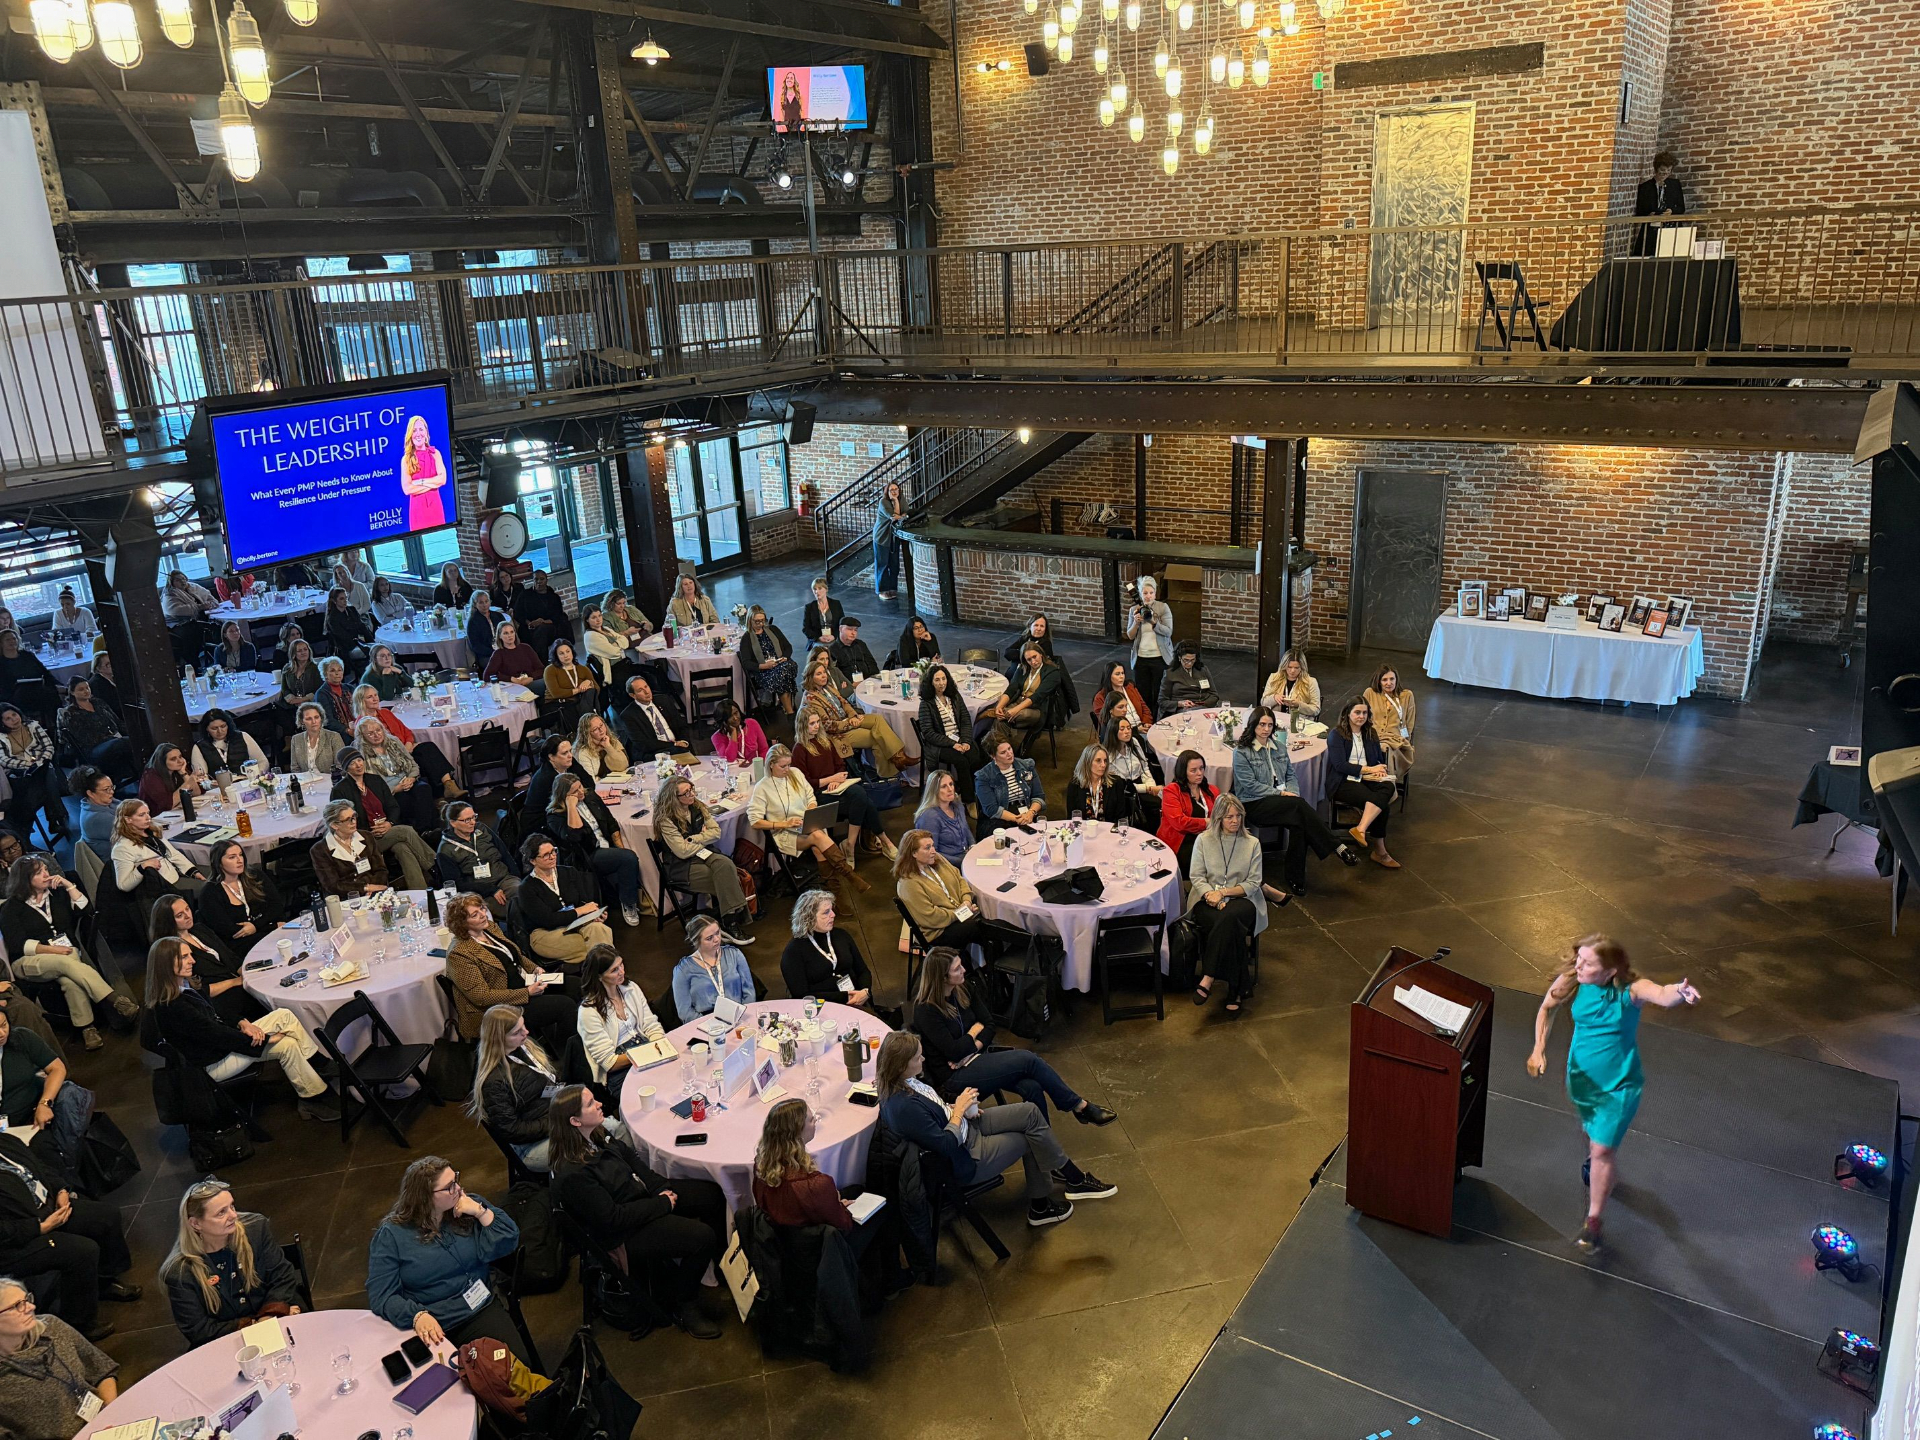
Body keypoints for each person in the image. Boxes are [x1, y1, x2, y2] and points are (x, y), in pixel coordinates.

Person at [1527, 935, 1702, 1249]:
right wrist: (1538, 1049)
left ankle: (1593, 1221)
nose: (1578, 966)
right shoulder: (1574, 979)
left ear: (1609, 971)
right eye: (1579, 959)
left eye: (1587, 963)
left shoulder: (1630, 991)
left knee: (1602, 1150)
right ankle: (1597, 1161)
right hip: (1582, 1079)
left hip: (1618, 1087)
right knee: (1593, 1137)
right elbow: (1547, 1008)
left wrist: (1680, 992)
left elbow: (1661, 994)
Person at [876, 1030, 1112, 1230]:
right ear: (901, 1065)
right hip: (966, 1155)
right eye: (918, 1057)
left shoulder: (906, 1083)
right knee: (1032, 1138)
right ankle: (1044, 1204)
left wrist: (955, 1107)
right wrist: (959, 1111)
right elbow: (945, 1145)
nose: (924, 1059)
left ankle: (1071, 1178)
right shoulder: (904, 1107)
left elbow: (933, 1112)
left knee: (1030, 1112)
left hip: (966, 1126)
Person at [548, 1086, 726, 1339]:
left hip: (638, 1198)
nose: (599, 1104)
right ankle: (685, 1304)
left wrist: (660, 1188)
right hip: (622, 1233)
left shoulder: (596, 1134)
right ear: (575, 1121)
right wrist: (662, 1204)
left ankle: (717, 1264)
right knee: (702, 1237)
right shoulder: (573, 1173)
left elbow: (632, 1161)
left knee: (711, 1195)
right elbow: (612, 1219)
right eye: (590, 1104)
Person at [912, 946, 1116, 1123]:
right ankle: (1079, 1106)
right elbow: (954, 1052)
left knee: (1032, 1087)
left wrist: (971, 1046)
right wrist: (974, 1032)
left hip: (976, 1058)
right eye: (957, 969)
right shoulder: (926, 1010)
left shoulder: (963, 988)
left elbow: (989, 1025)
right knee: (1028, 1059)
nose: (964, 970)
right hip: (953, 1077)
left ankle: (1042, 1141)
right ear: (942, 978)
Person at [141, 937, 336, 1121]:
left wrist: (241, 1022)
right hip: (211, 1064)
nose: (192, 960)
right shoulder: (173, 1006)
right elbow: (214, 1035)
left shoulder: (185, 987)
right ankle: (318, 1075)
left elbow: (217, 1012)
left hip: (221, 1047)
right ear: (166, 964)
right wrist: (265, 1039)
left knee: (286, 1031)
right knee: (285, 1030)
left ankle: (313, 1091)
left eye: (190, 955)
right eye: (184, 957)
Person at [366, 1156, 524, 1358]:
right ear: (425, 1197)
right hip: (434, 1323)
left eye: (456, 1180)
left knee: (512, 1367)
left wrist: (479, 1211)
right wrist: (416, 1316)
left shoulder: (467, 1207)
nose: (458, 1188)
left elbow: (509, 1239)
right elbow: (382, 1296)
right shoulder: (392, 1236)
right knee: (443, 1376)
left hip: (479, 1310)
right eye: (449, 1187)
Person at [1, 857, 132, 1051]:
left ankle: (87, 1029)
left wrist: (68, 885)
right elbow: (18, 945)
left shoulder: (58, 894)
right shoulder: (11, 908)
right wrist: (52, 950)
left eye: (45, 869)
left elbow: (86, 910)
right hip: (29, 961)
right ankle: (113, 999)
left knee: (69, 979)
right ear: (25, 879)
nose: (46, 875)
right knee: (66, 963)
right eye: (38, 873)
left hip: (66, 953)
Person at [160, 1177, 305, 1349]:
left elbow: (283, 1276)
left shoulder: (256, 1228)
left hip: (275, 1314)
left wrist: (268, 1316)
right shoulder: (180, 1271)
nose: (234, 1216)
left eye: (232, 1206)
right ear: (196, 1223)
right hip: (228, 1340)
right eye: (221, 1213)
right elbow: (198, 1329)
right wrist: (253, 1326)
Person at [1231, 706, 1357, 895]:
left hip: (1283, 802)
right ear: (1253, 725)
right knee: (1299, 809)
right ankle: (1336, 846)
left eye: (1270, 725)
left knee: (1300, 822)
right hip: (1254, 802)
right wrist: (1282, 794)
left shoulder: (1279, 747)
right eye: (1262, 724)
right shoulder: (1241, 751)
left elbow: (1291, 775)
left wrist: (1292, 793)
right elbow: (1250, 786)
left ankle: (1295, 878)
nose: (1266, 729)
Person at [753, 1098, 890, 1262]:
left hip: (782, 1242)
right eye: (811, 1120)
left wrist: (834, 1203)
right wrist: (839, 1205)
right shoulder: (816, 1185)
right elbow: (844, 1225)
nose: (815, 1121)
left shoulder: (762, 1167)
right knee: (882, 1209)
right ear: (797, 1134)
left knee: (856, 1190)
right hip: (819, 1250)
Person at [443, 893, 575, 1043]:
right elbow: (482, 997)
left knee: (575, 985)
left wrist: (535, 969)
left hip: (525, 983)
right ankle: (567, 1051)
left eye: (481, 908)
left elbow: (516, 956)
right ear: (462, 923)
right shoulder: (459, 953)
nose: (483, 914)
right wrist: (527, 992)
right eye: (475, 914)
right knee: (566, 1006)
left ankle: (571, 1039)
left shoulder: (490, 928)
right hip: (499, 1008)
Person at [0, 1274, 120, 1424]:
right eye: (18, 1305)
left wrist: (109, 1417)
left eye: (27, 1299)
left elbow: (103, 1370)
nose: (31, 1307)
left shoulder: (51, 1326)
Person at [1187, 795, 1267, 1014]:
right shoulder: (1204, 840)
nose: (1235, 821)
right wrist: (1211, 896)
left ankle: (1208, 976)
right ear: (1218, 818)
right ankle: (1237, 989)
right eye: (1229, 816)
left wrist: (1222, 893)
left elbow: (1253, 883)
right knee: (1231, 927)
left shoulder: (1252, 843)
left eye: (1238, 815)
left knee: (1230, 917)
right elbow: (1197, 877)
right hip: (1206, 900)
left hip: (1243, 900)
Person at [895, 829, 1028, 957]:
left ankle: (1020, 949)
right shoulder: (909, 883)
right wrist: (961, 912)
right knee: (984, 928)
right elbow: (931, 918)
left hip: (959, 913)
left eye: (933, 846)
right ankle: (1029, 942)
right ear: (913, 853)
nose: (933, 851)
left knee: (990, 933)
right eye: (927, 848)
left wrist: (966, 901)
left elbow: (959, 878)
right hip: (938, 932)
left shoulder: (937, 859)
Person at [749, 744, 864, 891]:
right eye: (783, 766)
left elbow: (810, 796)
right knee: (817, 836)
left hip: (805, 825)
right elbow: (755, 821)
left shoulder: (795, 773)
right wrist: (785, 824)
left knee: (818, 843)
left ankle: (835, 889)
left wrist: (811, 811)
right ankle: (848, 875)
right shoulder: (762, 787)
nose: (787, 769)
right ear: (771, 764)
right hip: (784, 833)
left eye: (789, 765)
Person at [655, 772, 756, 938]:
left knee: (726, 864)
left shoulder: (697, 806)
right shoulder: (666, 819)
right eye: (686, 793)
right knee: (726, 878)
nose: (692, 794)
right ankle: (731, 922)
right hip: (681, 865)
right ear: (674, 798)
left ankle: (727, 920)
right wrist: (703, 839)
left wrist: (693, 839)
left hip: (703, 853)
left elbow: (716, 832)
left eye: (691, 789)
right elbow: (682, 851)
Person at [793, 707, 895, 864]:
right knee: (863, 799)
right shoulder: (799, 749)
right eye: (812, 723)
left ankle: (851, 845)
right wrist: (830, 779)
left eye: (818, 722)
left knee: (861, 796)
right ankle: (883, 842)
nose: (816, 726)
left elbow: (840, 765)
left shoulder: (825, 741)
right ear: (802, 725)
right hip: (818, 795)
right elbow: (804, 783)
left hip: (836, 787)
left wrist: (835, 780)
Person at [541, 774, 643, 928]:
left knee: (628, 852)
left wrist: (619, 847)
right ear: (565, 796)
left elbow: (610, 821)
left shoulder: (591, 797)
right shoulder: (555, 816)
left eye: (580, 786)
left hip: (605, 844)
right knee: (628, 858)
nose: (581, 792)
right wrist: (571, 807)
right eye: (575, 791)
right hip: (586, 855)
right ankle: (629, 903)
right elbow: (574, 836)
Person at [328, 750, 436, 889]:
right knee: (406, 831)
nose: (358, 765)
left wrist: (389, 823)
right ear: (346, 768)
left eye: (359, 760)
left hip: (387, 830)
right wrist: (368, 832)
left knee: (402, 848)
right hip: (364, 839)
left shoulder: (376, 780)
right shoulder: (340, 790)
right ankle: (436, 866)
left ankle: (420, 892)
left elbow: (393, 807)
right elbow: (344, 821)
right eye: (352, 763)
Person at [471, 1004, 561, 1171]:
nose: (526, 1032)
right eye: (516, 1032)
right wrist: (556, 1122)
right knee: (593, 1144)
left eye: (523, 1025)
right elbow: (513, 1130)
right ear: (498, 1039)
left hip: (553, 1121)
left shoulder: (525, 1046)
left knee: (606, 1129)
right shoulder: (493, 1083)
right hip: (531, 1147)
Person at [799, 659, 911, 780]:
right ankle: (888, 774)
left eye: (824, 672)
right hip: (835, 734)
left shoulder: (828, 687)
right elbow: (828, 726)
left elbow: (844, 703)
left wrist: (853, 716)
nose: (823, 676)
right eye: (818, 674)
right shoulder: (811, 698)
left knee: (877, 719)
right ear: (810, 677)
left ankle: (899, 756)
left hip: (847, 720)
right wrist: (851, 723)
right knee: (877, 737)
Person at [574, 944, 666, 1087]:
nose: (622, 972)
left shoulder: (631, 988)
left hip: (645, 1045)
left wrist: (659, 1045)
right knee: (657, 1087)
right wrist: (647, 1053)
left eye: (621, 964)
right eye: (614, 970)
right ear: (599, 976)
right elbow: (609, 1062)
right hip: (620, 1066)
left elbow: (651, 1025)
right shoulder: (588, 1012)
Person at [518, 833, 616, 965]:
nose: (552, 856)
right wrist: (581, 911)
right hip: (545, 933)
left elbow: (584, 902)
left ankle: (600, 972)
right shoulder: (526, 888)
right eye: (546, 855)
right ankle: (609, 971)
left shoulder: (569, 872)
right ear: (533, 860)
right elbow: (548, 920)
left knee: (599, 929)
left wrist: (594, 915)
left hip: (576, 923)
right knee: (599, 943)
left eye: (554, 851)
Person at [192, 840, 284, 974]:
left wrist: (256, 926)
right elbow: (231, 932)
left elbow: (277, 906)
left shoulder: (255, 875)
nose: (239, 860)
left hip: (262, 933)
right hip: (238, 946)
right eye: (232, 857)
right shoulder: (209, 893)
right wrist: (271, 926)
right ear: (218, 862)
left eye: (240, 855)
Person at [1329, 697, 1400, 868]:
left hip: (1368, 777)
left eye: (1364, 713)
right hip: (1344, 780)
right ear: (1348, 713)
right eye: (1357, 712)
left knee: (1388, 785)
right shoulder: (1336, 735)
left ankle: (1361, 828)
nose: (1361, 716)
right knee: (1382, 805)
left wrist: (1379, 768)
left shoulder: (1370, 733)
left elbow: (1377, 758)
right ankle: (1380, 852)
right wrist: (1369, 769)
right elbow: (1340, 765)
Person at [779, 889, 873, 1007]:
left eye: (831, 910)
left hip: (857, 999)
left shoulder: (841, 935)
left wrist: (865, 991)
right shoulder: (793, 952)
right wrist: (844, 997)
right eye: (826, 912)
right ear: (809, 917)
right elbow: (802, 995)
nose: (833, 915)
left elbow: (863, 970)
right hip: (822, 1007)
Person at [973, 643, 1059, 756]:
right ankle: (1001, 753)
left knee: (1005, 716)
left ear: (1041, 654)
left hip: (1037, 709)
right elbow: (1012, 688)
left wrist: (1014, 710)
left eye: (1035, 657)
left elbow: (1037, 696)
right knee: (1000, 718)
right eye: (1029, 659)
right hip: (1018, 702)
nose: (1033, 662)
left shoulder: (1052, 672)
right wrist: (999, 706)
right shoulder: (1023, 668)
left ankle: (995, 752)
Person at [438, 801, 519, 917]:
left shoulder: (482, 829)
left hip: (504, 878)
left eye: (474, 817)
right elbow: (457, 884)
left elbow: (504, 853)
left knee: (523, 893)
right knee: (511, 909)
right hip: (479, 892)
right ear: (453, 823)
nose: (473, 822)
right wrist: (490, 890)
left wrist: (517, 876)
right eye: (467, 820)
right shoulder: (445, 850)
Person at [110, 800, 202, 901]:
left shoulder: (152, 832)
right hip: (162, 890)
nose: (148, 818)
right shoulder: (122, 848)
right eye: (141, 815)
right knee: (209, 889)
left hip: (175, 875)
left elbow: (173, 854)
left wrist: (193, 872)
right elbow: (123, 885)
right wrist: (142, 867)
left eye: (148, 813)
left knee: (213, 877)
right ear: (128, 819)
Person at [355, 717, 435, 832]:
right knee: (404, 800)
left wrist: (411, 778)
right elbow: (370, 784)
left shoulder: (393, 741)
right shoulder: (361, 752)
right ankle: (418, 832)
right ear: (362, 736)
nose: (376, 735)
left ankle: (425, 831)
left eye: (378, 730)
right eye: (370, 733)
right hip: (387, 790)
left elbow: (413, 765)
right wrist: (395, 789)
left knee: (424, 789)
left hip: (407, 781)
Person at [672, 914, 755, 1019]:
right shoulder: (683, 970)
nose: (716, 939)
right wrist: (707, 1024)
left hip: (738, 1014)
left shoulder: (734, 954)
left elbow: (749, 993)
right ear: (696, 941)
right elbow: (685, 1011)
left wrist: (742, 1017)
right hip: (704, 1020)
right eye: (709, 938)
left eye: (717, 933)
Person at [914, 663, 979, 794]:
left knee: (975, 756)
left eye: (944, 679)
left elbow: (965, 720)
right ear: (931, 682)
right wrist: (952, 744)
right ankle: (968, 799)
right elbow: (928, 733)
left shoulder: (954, 696)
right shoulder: (926, 703)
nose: (941, 683)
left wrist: (966, 741)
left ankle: (978, 791)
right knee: (962, 761)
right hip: (940, 744)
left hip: (959, 738)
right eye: (937, 680)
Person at [0, 702, 59, 841]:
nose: (13, 719)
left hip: (41, 765)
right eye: (8, 718)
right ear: (2, 723)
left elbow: (49, 747)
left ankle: (25, 828)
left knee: (47, 771)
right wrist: (26, 765)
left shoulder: (33, 726)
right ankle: (55, 817)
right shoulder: (1, 737)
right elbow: (3, 760)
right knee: (44, 781)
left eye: (14, 714)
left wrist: (40, 762)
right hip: (19, 773)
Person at [56, 681, 132, 786]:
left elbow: (117, 721)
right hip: (93, 748)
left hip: (114, 739)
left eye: (87, 688)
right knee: (122, 743)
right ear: (72, 692)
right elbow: (83, 738)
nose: (86, 691)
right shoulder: (71, 713)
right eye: (81, 689)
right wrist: (110, 738)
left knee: (132, 740)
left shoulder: (98, 703)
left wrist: (131, 733)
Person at [1157, 749, 1217, 872]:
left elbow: (1219, 817)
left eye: (1201, 768)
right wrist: (1206, 822)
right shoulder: (1171, 791)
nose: (1199, 773)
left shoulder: (1211, 790)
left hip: (1205, 838)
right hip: (1181, 842)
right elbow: (1179, 823)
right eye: (1193, 770)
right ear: (1183, 772)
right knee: (1211, 861)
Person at [973, 731, 1045, 833]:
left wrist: (1030, 813)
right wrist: (1018, 819)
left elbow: (1039, 796)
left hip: (1027, 811)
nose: (1009, 754)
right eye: (1003, 752)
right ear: (993, 756)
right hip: (1000, 819)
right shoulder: (983, 777)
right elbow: (992, 809)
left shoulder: (1027, 765)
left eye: (1009, 748)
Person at [615, 674, 691, 759]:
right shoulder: (628, 715)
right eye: (640, 690)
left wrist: (684, 741)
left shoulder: (664, 700)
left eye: (646, 686)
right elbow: (642, 744)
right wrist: (674, 744)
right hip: (656, 752)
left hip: (680, 746)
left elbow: (681, 725)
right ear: (633, 695)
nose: (646, 692)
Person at [738, 605, 797, 715]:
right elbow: (746, 663)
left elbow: (788, 647)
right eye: (757, 621)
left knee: (787, 668)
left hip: (781, 664)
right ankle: (790, 711)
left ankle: (787, 710)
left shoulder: (773, 629)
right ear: (750, 620)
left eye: (763, 620)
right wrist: (764, 666)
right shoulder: (747, 638)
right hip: (764, 672)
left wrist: (784, 658)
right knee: (784, 677)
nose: (760, 624)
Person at [1126, 575, 1174, 706]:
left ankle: (1158, 716)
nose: (1148, 596)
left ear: (1155, 593)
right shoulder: (1134, 610)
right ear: (1140, 594)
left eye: (1151, 593)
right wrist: (1136, 623)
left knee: (1159, 692)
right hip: (1141, 658)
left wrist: (1153, 622)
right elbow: (1130, 635)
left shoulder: (1163, 607)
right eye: (1145, 593)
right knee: (1143, 693)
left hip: (1159, 658)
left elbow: (1168, 632)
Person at [1364, 664, 1417, 781]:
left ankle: (1386, 785)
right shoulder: (1370, 693)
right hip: (1373, 736)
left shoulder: (1407, 695)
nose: (1389, 683)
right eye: (1384, 680)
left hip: (1396, 739)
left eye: (1392, 679)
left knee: (1387, 748)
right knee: (1380, 747)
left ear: (1396, 679)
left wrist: (1405, 740)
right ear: (1379, 681)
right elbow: (1363, 718)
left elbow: (1410, 723)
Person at [523, 734, 589, 824]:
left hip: (562, 813)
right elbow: (558, 808)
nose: (570, 755)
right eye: (564, 753)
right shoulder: (546, 777)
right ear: (551, 757)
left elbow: (589, 783)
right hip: (540, 821)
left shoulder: (569, 762)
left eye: (570, 751)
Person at [1631, 150, 1686, 257]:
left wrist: (1671, 211)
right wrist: (1650, 214)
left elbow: (1681, 207)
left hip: (1670, 228)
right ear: (1656, 169)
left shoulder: (1674, 185)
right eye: (1662, 170)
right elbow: (1640, 210)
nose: (1665, 174)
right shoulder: (1646, 187)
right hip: (1652, 229)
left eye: (1668, 170)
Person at [913, 770, 974, 866]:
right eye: (944, 786)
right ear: (934, 791)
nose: (950, 789)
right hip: (946, 864)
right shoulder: (929, 817)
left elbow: (966, 829)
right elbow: (932, 853)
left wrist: (973, 846)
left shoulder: (957, 805)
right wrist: (964, 862)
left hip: (966, 857)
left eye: (951, 784)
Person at [1065, 743, 1133, 826]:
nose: (1103, 765)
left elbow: (1120, 817)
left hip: (1109, 831)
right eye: (1098, 761)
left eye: (1105, 761)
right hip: (1084, 831)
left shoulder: (1116, 783)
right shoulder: (1075, 785)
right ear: (1087, 762)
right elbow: (1072, 817)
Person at [190, 709, 268, 778]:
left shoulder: (243, 736)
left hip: (246, 781)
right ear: (206, 729)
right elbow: (201, 776)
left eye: (223, 726)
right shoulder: (199, 747)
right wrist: (210, 784)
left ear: (228, 725)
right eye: (214, 728)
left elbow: (262, 761)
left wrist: (256, 776)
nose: (220, 731)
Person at [512, 570, 570, 658]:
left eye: (542, 579)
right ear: (533, 580)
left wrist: (542, 622)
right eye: (536, 579)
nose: (539, 582)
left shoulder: (553, 597)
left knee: (542, 630)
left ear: (546, 580)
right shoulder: (525, 595)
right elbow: (517, 613)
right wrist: (529, 623)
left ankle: (541, 661)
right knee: (530, 633)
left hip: (549, 625)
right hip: (528, 626)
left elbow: (558, 616)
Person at [0, 632, 54, 717]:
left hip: (38, 689)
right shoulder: (2, 663)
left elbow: (45, 672)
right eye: (8, 640)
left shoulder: (27, 655)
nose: (12, 641)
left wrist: (55, 684)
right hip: (15, 696)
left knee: (51, 691)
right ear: (1, 643)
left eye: (14, 638)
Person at [1090, 660, 1153, 732]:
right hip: (1122, 733)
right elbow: (1106, 723)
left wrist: (1145, 723)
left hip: (1141, 727)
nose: (1121, 676)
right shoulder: (1100, 697)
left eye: (1122, 673)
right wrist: (1135, 730)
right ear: (1108, 676)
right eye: (1117, 674)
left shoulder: (1130, 687)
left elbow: (1145, 709)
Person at [481, 619, 543, 690]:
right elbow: (487, 676)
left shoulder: (526, 648)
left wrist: (531, 678)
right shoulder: (498, 653)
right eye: (506, 633)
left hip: (531, 682)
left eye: (512, 632)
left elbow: (541, 669)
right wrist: (510, 678)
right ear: (500, 636)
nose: (510, 635)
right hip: (513, 686)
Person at [1260, 649, 1320, 721]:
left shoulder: (1311, 682)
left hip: (1299, 722)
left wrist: (1299, 705)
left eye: (1296, 668)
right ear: (1284, 666)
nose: (1292, 671)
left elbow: (1316, 710)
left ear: (1302, 667)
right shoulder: (1274, 678)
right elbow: (1263, 703)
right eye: (1289, 667)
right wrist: (1274, 698)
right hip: (1277, 721)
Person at [286, 700, 343, 775]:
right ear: (302, 721)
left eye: (316, 717)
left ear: (321, 718)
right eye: (308, 719)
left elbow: (341, 766)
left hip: (331, 779)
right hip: (306, 780)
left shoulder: (334, 737)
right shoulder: (296, 739)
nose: (314, 721)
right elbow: (295, 768)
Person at [70, 770, 115, 860]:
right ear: (90, 793)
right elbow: (133, 832)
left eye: (112, 787)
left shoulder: (103, 801)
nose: (112, 792)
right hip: (116, 862)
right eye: (106, 789)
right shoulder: (97, 818)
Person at [322, 585, 373, 665]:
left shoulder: (351, 610)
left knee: (378, 648)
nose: (345, 601)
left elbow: (362, 626)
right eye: (341, 599)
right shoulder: (332, 619)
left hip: (358, 642)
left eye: (346, 597)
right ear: (334, 601)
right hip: (347, 648)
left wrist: (371, 641)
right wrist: (361, 643)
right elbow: (344, 637)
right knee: (375, 652)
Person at [873, 480, 907, 599]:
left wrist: (901, 515)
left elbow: (906, 513)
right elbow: (894, 516)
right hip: (882, 537)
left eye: (896, 489)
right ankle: (882, 591)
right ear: (887, 492)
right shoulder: (883, 502)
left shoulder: (902, 499)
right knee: (882, 564)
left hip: (894, 537)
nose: (894, 492)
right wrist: (896, 501)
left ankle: (892, 589)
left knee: (894, 564)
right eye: (891, 490)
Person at [1158, 641, 1214, 712]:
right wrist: (1180, 704)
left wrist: (1203, 703)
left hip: (1202, 706)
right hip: (1181, 708)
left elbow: (1214, 694)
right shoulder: (1170, 673)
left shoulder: (1203, 670)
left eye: (1192, 660)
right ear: (1179, 658)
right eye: (1186, 660)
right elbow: (1162, 701)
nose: (1189, 663)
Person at [709, 698, 768, 765]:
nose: (735, 718)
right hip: (733, 769)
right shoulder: (717, 737)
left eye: (736, 713)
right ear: (723, 720)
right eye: (730, 716)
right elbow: (729, 759)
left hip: (754, 766)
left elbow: (764, 749)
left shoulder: (752, 724)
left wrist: (761, 766)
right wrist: (733, 733)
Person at [579, 605, 626, 689]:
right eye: (594, 617)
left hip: (622, 662)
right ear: (587, 620)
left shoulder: (606, 629)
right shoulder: (590, 636)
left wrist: (615, 645)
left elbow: (625, 641)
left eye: (599, 615)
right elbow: (614, 653)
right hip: (613, 669)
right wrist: (618, 645)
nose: (598, 619)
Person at [276, 637, 324, 716]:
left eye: (305, 649)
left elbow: (319, 689)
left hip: (312, 703)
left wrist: (301, 700)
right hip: (292, 705)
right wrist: (290, 698)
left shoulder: (316, 668)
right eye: (299, 651)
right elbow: (284, 689)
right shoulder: (287, 668)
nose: (303, 652)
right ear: (293, 654)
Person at [543, 638, 598, 706]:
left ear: (572, 652)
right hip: (556, 704)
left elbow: (597, 689)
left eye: (568, 651)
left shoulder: (583, 669)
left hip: (578, 703)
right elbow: (556, 693)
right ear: (556, 656)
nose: (566, 655)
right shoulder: (550, 670)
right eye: (561, 653)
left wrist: (589, 682)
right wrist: (579, 690)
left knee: (589, 698)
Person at [826, 616, 879, 681]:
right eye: (850, 629)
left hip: (867, 681)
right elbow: (834, 674)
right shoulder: (832, 650)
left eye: (855, 630)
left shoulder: (860, 644)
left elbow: (872, 663)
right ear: (840, 629)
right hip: (848, 684)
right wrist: (850, 684)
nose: (853, 633)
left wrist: (871, 679)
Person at [799, 576, 844, 647]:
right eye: (814, 589)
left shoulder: (836, 604)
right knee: (821, 650)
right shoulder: (809, 607)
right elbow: (806, 629)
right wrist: (818, 637)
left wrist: (834, 636)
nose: (817, 592)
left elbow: (842, 624)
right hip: (818, 639)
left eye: (820, 588)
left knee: (835, 648)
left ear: (826, 589)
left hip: (834, 638)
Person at [313, 657, 356, 732]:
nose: (337, 673)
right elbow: (328, 721)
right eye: (332, 670)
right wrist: (347, 730)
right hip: (337, 732)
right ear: (325, 674)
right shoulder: (321, 694)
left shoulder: (350, 688)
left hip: (356, 726)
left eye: (339, 670)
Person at [465, 591, 496, 673]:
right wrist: (493, 652)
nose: (484, 605)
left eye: (486, 601)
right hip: (486, 655)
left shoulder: (497, 616)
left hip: (502, 650)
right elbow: (476, 646)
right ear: (475, 604)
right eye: (481, 602)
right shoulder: (473, 622)